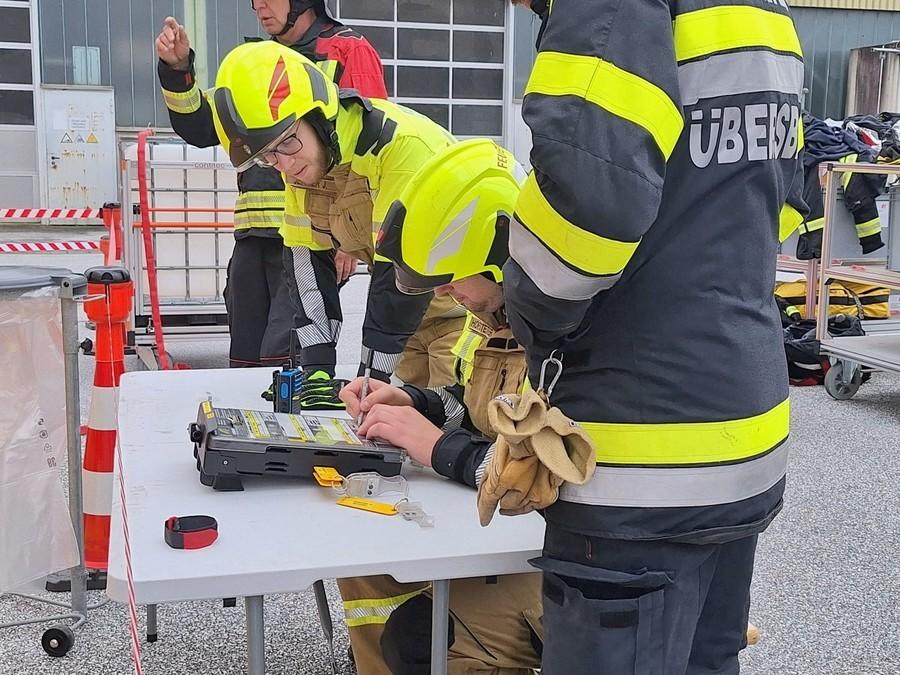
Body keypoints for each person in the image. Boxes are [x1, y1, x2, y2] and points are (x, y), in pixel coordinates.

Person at [503, 0, 806, 672]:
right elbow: (784, 197)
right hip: (742, 431)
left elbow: (585, 215)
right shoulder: (768, 10)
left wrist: (529, 319)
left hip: (638, 460)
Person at [206, 40, 476, 672]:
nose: (285, 165)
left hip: (468, 314)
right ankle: (393, 648)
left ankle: (469, 636)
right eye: (269, 156)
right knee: (393, 479)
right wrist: (317, 382)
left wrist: (369, 379)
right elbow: (308, 279)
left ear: (320, 115)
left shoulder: (399, 147)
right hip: (409, 324)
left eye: (288, 144)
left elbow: (397, 283)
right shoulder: (302, 176)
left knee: (451, 477)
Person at [339, 138, 542, 674]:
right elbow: (473, 407)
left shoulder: (561, 337)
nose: (445, 294)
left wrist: (433, 447)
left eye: (453, 279)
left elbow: (536, 478)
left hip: (553, 560)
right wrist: (413, 402)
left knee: (425, 642)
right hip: (507, 538)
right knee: (362, 561)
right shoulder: (495, 316)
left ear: (502, 262)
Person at [154, 0, 387, 373]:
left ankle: (298, 411)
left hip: (312, 237)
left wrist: (349, 241)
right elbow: (201, 128)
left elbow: (367, 143)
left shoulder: (347, 49)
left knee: (286, 356)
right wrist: (177, 70)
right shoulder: (256, 60)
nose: (258, 5)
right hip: (253, 235)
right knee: (246, 358)